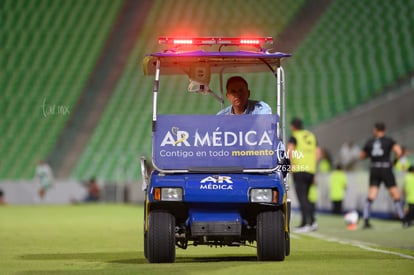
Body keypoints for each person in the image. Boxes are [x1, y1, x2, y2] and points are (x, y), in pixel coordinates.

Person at [359, 122, 405, 228]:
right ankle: (403, 219)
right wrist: (395, 162)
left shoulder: (370, 141)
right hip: (386, 168)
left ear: (375, 130)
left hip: (374, 168)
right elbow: (399, 151)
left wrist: (370, 155)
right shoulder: (389, 141)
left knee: (372, 194)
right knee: (394, 193)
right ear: (384, 130)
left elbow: (361, 156)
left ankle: (366, 220)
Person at [288, 117, 318, 233]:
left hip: (299, 169)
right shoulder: (310, 135)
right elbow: (317, 152)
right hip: (310, 170)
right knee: (307, 197)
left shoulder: (295, 136)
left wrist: (290, 165)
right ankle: (313, 221)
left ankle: (306, 224)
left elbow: (289, 150)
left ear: (293, 126)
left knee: (302, 198)